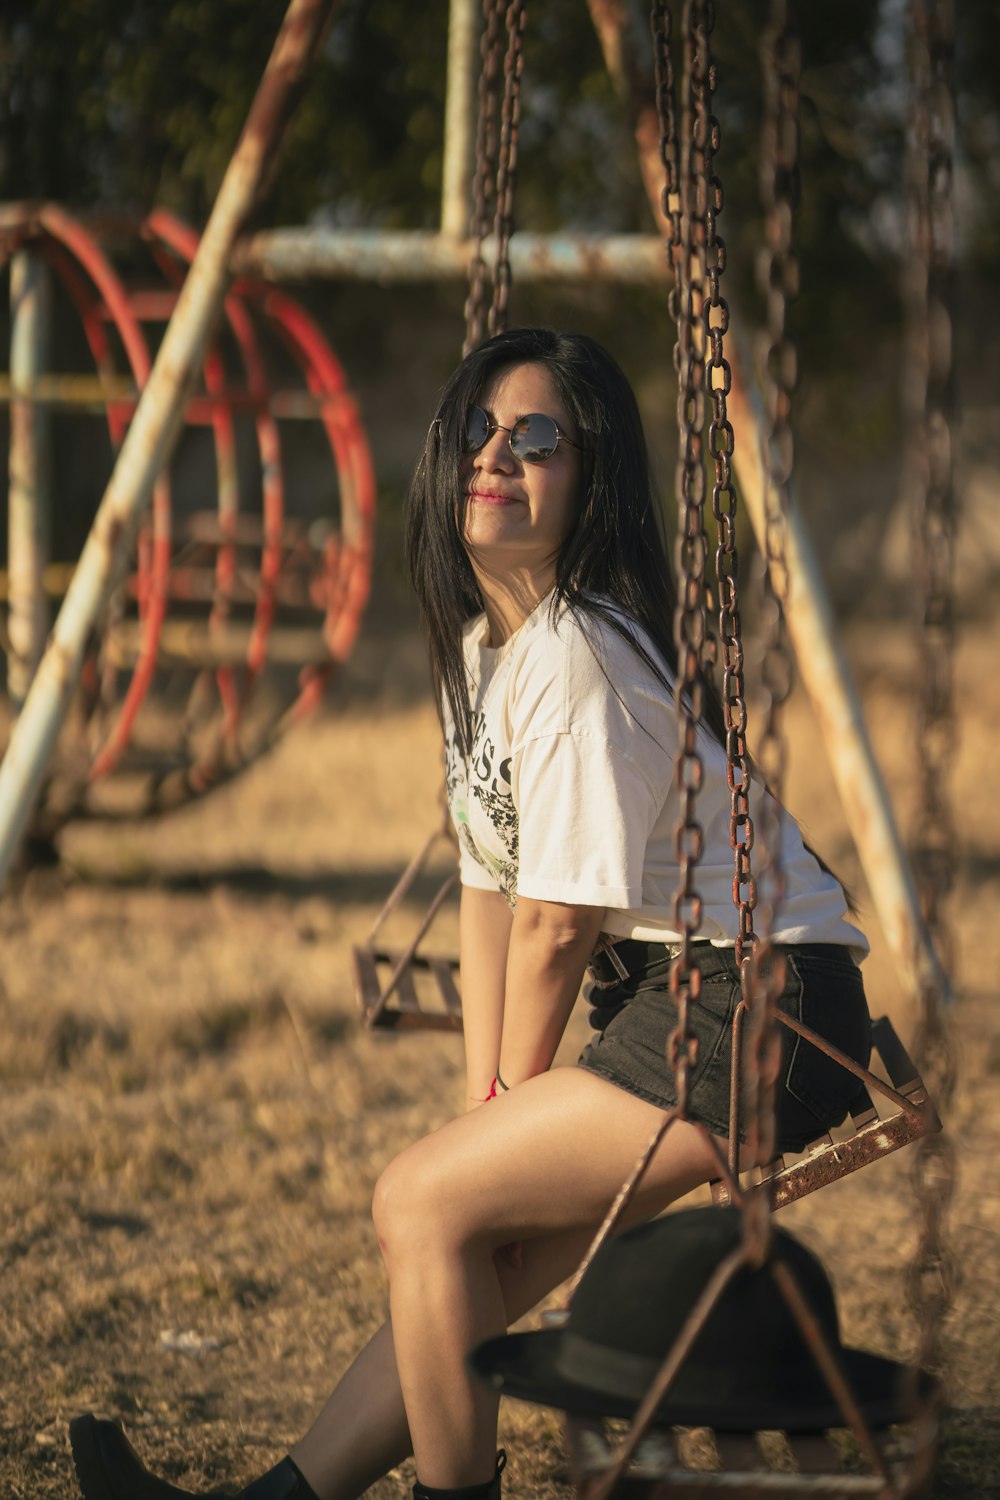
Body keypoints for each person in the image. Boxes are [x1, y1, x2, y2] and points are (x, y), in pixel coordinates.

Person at [70, 328, 872, 1500]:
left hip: (762, 1009)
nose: (496, 457)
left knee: (421, 1200)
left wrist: (500, 1102)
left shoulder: (581, 662)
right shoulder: (488, 651)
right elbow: (490, 883)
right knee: (460, 1232)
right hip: (677, 998)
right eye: (477, 432)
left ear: (587, 479)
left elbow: (557, 924)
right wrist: (486, 1106)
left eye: (536, 437)